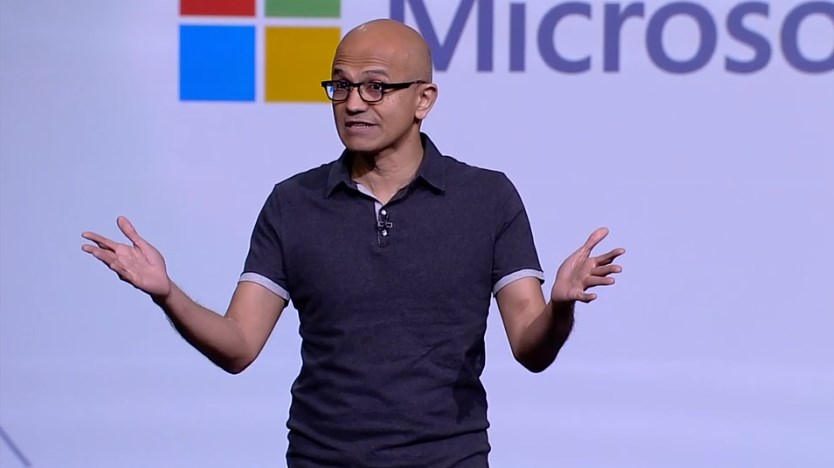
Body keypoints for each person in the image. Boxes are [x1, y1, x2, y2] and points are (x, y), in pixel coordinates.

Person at [81, 19, 624, 468]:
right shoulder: (293, 203)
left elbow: (530, 347)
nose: (354, 103)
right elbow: (239, 345)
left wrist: (560, 307)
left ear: (424, 99)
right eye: (340, 86)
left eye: (376, 87)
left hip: (448, 458)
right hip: (320, 458)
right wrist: (167, 293)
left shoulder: (487, 198)